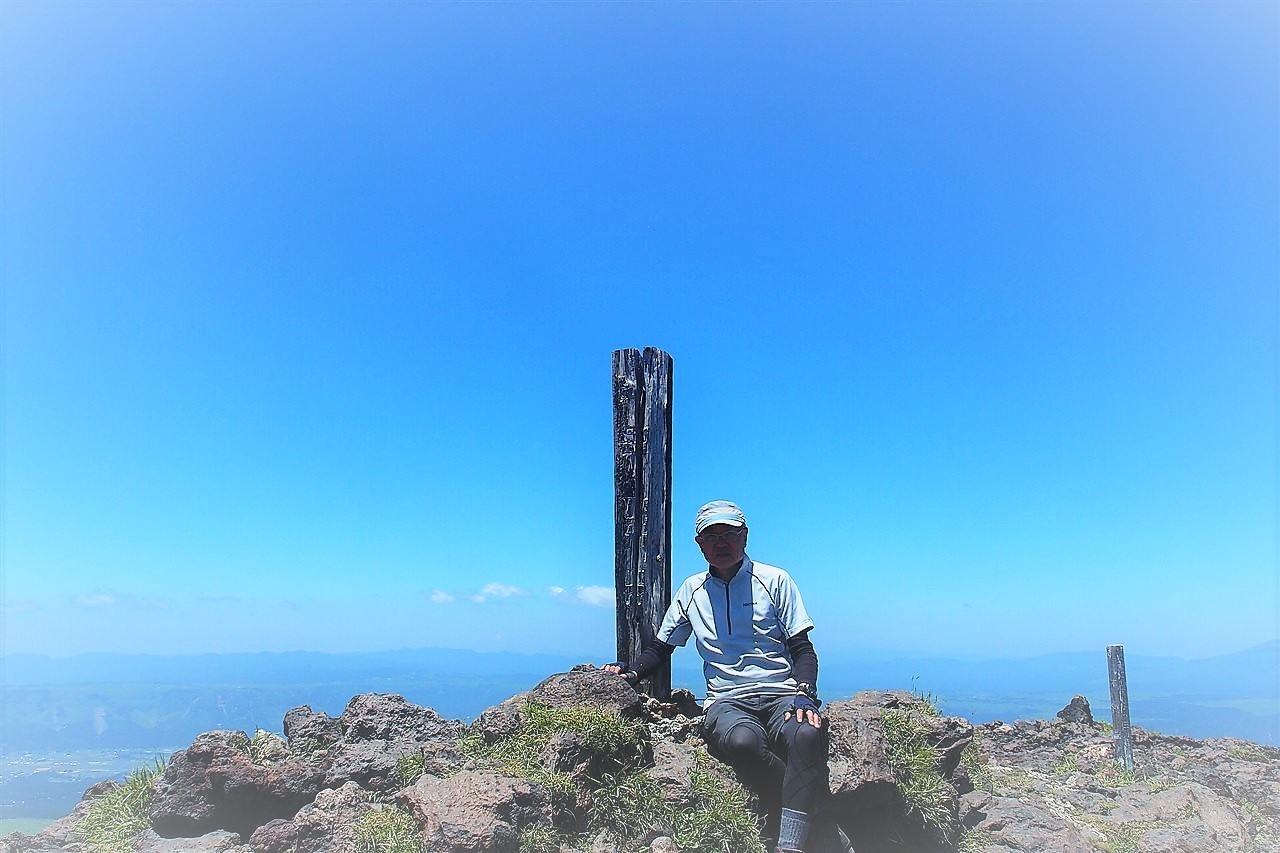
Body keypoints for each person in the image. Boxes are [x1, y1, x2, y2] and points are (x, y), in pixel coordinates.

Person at [604, 500, 828, 853]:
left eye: (729, 534)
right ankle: (817, 819)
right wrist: (629, 672)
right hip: (726, 699)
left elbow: (802, 647)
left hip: (782, 692)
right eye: (711, 536)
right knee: (742, 744)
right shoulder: (692, 590)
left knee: (805, 734)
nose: (721, 543)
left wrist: (804, 693)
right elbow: (662, 648)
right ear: (699, 544)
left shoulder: (775, 580)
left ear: (745, 537)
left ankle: (789, 845)